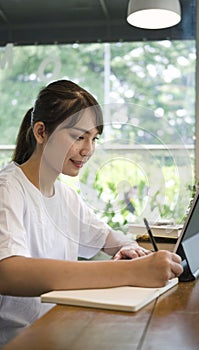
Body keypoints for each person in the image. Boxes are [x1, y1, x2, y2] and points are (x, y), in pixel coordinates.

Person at [0, 79, 183, 347]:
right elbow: (8, 273)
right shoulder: (8, 189)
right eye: (78, 137)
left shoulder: (65, 197)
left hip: (61, 326)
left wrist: (131, 250)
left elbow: (113, 240)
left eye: (94, 138)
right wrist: (130, 272)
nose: (88, 150)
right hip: (21, 340)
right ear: (41, 132)